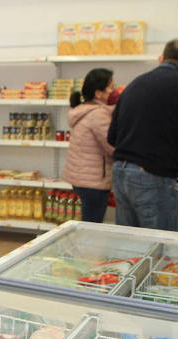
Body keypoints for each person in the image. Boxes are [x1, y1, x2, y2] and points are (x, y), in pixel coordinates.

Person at [107, 39, 178, 231]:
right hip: (154, 176)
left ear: (161, 58)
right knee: (163, 246)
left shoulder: (134, 84)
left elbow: (112, 137)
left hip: (120, 173)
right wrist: (175, 157)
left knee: (129, 243)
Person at [62, 68, 117, 223]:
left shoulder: (82, 109)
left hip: (82, 178)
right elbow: (112, 146)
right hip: (94, 181)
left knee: (88, 221)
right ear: (98, 93)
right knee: (92, 224)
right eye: (111, 87)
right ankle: (88, 248)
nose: (114, 91)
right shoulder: (99, 114)